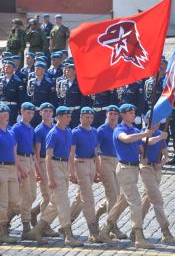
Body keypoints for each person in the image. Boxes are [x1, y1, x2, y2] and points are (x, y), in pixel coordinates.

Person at [98, 103, 155, 249]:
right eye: (130, 113)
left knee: (121, 202)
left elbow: (141, 149)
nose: (133, 115)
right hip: (124, 169)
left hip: (134, 169)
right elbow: (127, 139)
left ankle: (105, 231)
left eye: (134, 112)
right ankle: (138, 235)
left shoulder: (135, 130)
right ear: (123, 115)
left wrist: (147, 150)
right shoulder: (119, 129)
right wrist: (144, 134)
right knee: (135, 202)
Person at [25, 106, 83, 247]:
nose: (69, 118)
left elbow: (69, 154)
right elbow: (48, 158)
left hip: (63, 167)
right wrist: (50, 178)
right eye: (67, 116)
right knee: (63, 201)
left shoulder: (68, 131)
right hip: (55, 166)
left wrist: (71, 171)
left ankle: (36, 230)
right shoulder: (53, 133)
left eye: (70, 116)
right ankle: (68, 235)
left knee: (54, 202)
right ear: (59, 117)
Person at [137, 110, 175, 245]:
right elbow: (147, 142)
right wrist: (161, 137)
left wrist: (160, 164)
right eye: (152, 121)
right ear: (147, 121)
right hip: (146, 169)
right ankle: (165, 231)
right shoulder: (144, 132)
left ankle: (136, 228)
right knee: (157, 200)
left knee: (147, 200)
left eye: (157, 121)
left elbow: (165, 155)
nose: (155, 124)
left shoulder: (159, 134)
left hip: (156, 170)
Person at [0, 104, 21, 243]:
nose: (6, 115)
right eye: (2, 113)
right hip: (0, 169)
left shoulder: (11, 133)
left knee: (14, 202)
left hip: (12, 169)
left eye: (7, 113)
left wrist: (17, 170)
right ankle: (2, 231)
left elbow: (14, 153)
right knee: (2, 203)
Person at [95, 105, 127, 239]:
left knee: (118, 195)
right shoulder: (101, 130)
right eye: (110, 114)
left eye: (115, 114)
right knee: (113, 195)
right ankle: (112, 227)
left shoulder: (119, 129)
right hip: (105, 161)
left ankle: (97, 213)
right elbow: (95, 150)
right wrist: (97, 169)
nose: (112, 116)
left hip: (117, 162)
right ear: (106, 115)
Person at [69, 107, 100, 243]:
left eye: (91, 117)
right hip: (80, 163)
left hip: (91, 164)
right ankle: (93, 231)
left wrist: (98, 170)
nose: (89, 119)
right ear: (80, 117)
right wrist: (71, 172)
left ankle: (66, 223)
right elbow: (71, 153)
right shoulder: (75, 132)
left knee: (81, 197)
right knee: (88, 198)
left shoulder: (94, 131)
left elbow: (96, 152)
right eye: (86, 117)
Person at [30, 102, 59, 237]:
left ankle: (34, 212)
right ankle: (45, 226)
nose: (47, 113)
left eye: (49, 111)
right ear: (40, 113)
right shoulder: (39, 130)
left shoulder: (54, 127)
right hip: (42, 161)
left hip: (54, 162)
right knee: (48, 196)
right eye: (45, 111)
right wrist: (38, 171)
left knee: (52, 194)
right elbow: (36, 153)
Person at [11, 102, 37, 239]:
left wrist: (35, 167)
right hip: (21, 160)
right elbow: (13, 150)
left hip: (30, 161)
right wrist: (19, 168)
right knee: (26, 195)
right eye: (28, 112)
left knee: (32, 195)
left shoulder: (31, 128)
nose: (30, 115)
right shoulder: (16, 128)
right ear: (21, 112)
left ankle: (2, 221)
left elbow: (32, 150)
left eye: (32, 113)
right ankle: (26, 227)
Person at [56, 64, 90, 128]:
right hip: (66, 112)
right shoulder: (63, 83)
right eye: (66, 70)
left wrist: (80, 111)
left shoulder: (80, 83)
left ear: (74, 71)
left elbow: (84, 99)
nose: (66, 72)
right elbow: (61, 99)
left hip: (76, 111)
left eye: (69, 70)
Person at [27, 61, 57, 126]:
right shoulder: (31, 82)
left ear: (43, 71)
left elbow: (52, 100)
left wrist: (52, 115)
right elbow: (28, 97)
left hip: (44, 112)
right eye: (35, 69)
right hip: (32, 111)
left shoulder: (49, 83)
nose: (36, 71)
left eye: (38, 69)